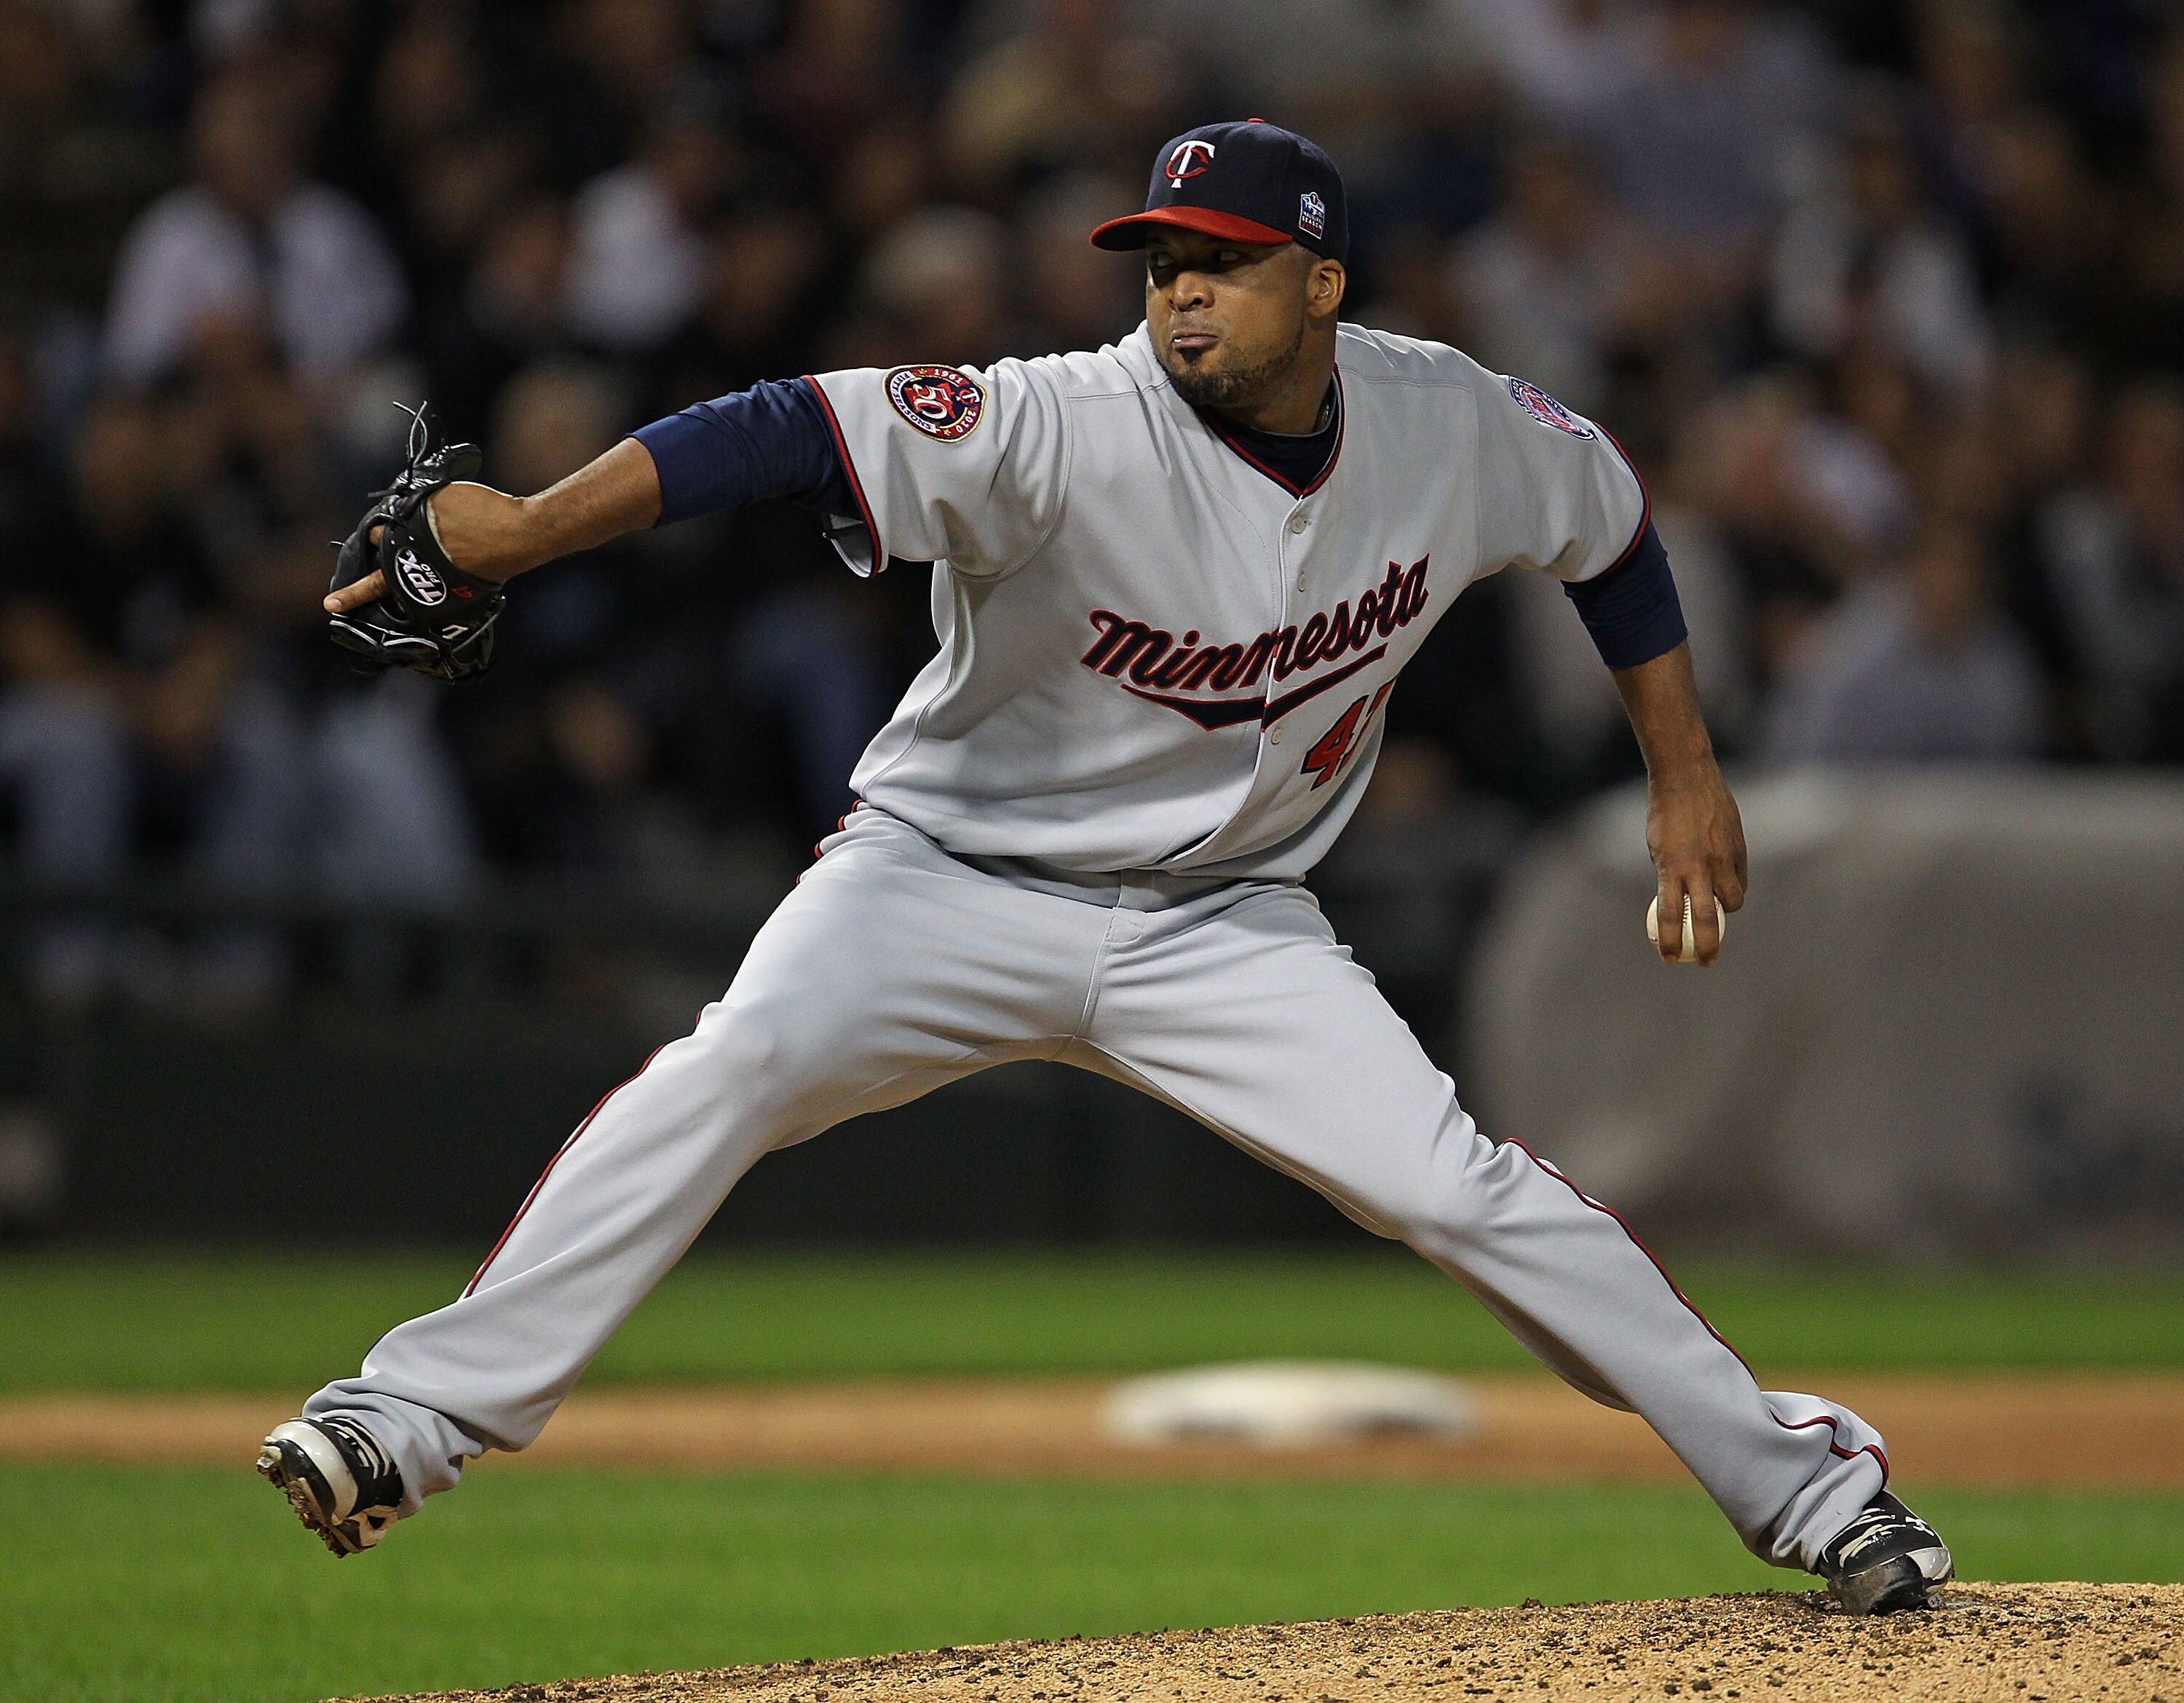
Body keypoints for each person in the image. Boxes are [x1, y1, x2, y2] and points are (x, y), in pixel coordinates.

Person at [260, 121, 1952, 1617]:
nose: (1180, 296)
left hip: (1231, 923)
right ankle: (404, 1418)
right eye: (1159, 265)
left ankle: (1813, 1487)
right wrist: (533, 526)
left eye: (1222, 264)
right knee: (736, 1066)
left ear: (1323, 287)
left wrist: (1685, 766)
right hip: (943, 881)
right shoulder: (1055, 424)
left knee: (1456, 1188)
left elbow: (1612, 526)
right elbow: (786, 426)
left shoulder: (1450, 422)